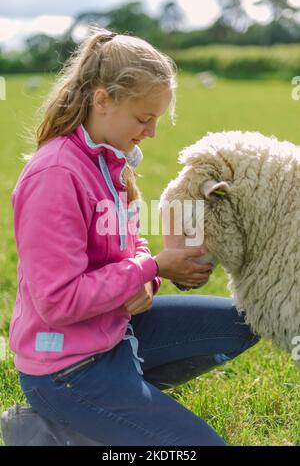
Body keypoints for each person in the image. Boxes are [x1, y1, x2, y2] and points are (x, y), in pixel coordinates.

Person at [1, 28, 259, 446]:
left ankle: (113, 412)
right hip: (66, 368)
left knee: (244, 321)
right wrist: (152, 267)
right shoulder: (56, 176)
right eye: (144, 119)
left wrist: (149, 279)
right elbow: (57, 300)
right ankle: (57, 427)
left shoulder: (110, 161)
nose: (152, 133)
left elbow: (131, 243)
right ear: (102, 100)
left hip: (117, 331)